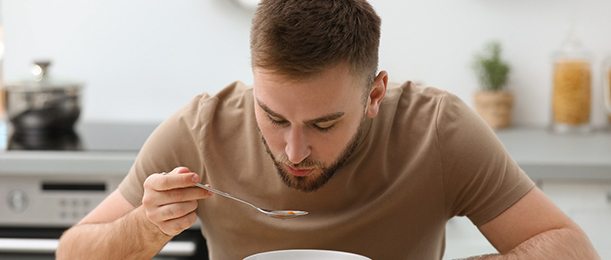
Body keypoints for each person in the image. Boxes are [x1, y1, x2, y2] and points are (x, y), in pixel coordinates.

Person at [57, 0, 599, 259]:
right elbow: (71, 253)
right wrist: (145, 227)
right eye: (273, 117)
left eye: (324, 122)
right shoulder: (202, 129)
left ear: (375, 95)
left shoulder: (437, 129)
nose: (295, 150)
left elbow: (571, 248)